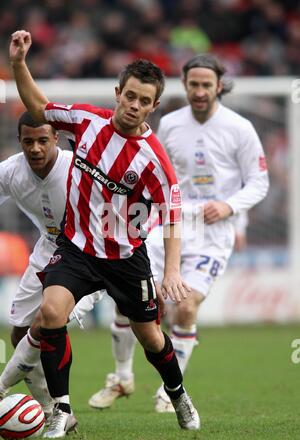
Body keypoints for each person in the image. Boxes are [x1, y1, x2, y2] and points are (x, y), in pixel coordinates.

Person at [9, 30, 200, 438]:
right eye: (129, 96)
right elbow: (40, 106)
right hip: (75, 248)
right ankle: (60, 408)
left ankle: (178, 392)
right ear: (118, 92)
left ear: (154, 106)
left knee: (149, 336)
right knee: (50, 313)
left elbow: (173, 214)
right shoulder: (86, 120)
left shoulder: (154, 161)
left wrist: (172, 272)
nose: (134, 106)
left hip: (125, 258)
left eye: (144, 101)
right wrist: (19, 64)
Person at [88, 53, 269, 413]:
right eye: (193, 84)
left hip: (214, 230)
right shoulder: (169, 124)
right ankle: (122, 376)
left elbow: (258, 181)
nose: (199, 91)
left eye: (206, 85)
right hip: (167, 225)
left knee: (185, 308)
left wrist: (233, 210)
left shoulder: (240, 128)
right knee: (129, 299)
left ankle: (169, 390)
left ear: (219, 86)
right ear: (184, 85)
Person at [0, 112, 101, 425]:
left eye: (43, 140)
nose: (36, 148)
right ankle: (50, 410)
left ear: (55, 138)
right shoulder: (10, 171)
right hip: (48, 250)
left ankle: (5, 389)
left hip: (88, 256)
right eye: (28, 141)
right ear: (20, 141)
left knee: (45, 322)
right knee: (20, 334)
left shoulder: (77, 168)